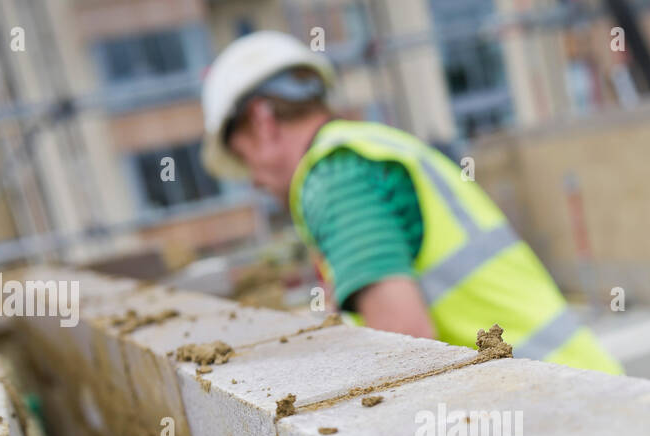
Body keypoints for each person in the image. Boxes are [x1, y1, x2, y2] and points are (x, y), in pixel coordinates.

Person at [200, 31, 622, 374]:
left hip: (552, 418)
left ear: (262, 120)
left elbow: (408, 354)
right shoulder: (372, 148)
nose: (252, 179)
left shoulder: (334, 176)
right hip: (578, 390)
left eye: (241, 156)